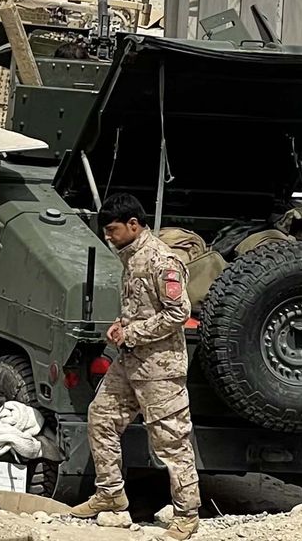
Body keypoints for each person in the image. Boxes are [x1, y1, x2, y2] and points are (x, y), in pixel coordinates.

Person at [70, 193, 200, 539]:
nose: (108, 236)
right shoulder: (131, 257)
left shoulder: (161, 260)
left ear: (133, 224)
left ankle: (187, 514)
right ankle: (110, 494)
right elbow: (141, 306)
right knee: (101, 417)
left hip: (160, 368)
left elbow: (178, 312)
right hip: (131, 362)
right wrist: (121, 325)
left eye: (112, 230)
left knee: (171, 441)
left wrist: (132, 332)